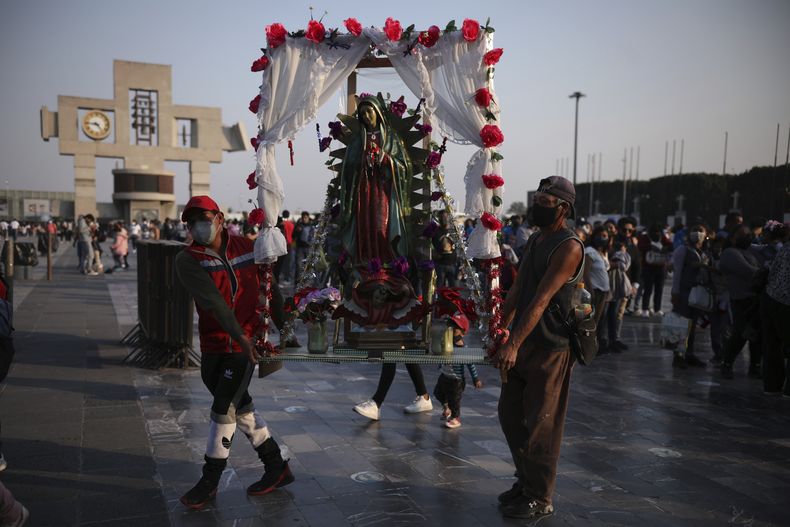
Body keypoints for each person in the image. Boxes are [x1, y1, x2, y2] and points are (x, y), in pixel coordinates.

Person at [174, 196, 294, 509]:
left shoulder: (249, 247)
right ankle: (276, 466)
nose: (198, 225)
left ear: (219, 217)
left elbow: (271, 290)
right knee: (241, 407)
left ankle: (210, 480)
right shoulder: (187, 259)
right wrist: (236, 337)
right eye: (191, 221)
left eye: (203, 218)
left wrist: (285, 331)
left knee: (223, 406)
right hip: (214, 345)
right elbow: (213, 302)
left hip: (246, 345)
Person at [494, 176, 584, 520]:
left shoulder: (568, 246)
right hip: (522, 342)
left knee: (542, 425)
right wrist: (500, 327)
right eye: (538, 200)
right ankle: (525, 479)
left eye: (546, 204)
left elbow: (543, 298)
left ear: (564, 209)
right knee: (510, 415)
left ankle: (540, 495)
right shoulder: (535, 239)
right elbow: (519, 291)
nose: (538, 207)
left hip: (550, 347)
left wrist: (513, 342)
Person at [719, 226, 762, 379]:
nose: (747, 237)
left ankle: (755, 366)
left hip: (756, 299)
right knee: (740, 334)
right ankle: (727, 363)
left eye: (748, 234)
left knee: (757, 335)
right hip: (741, 299)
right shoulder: (730, 253)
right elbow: (749, 271)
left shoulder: (751, 251)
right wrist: (764, 272)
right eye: (742, 235)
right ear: (733, 238)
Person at [670, 223, 709, 368]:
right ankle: (678, 356)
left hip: (697, 293)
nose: (698, 233)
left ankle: (690, 354)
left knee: (693, 326)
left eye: (701, 230)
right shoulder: (683, 250)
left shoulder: (703, 251)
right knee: (682, 325)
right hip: (685, 291)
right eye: (695, 230)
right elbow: (677, 273)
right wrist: (675, 292)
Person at [760, 241, 790, 396]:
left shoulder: (785, 248)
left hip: (770, 298)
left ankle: (771, 386)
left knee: (772, 345)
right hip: (786, 302)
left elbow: (771, 270)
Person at [583, 225, 611, 353]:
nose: (602, 238)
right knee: (589, 321)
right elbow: (586, 272)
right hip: (594, 292)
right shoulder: (589, 251)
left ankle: (593, 346)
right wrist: (590, 289)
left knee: (598, 321)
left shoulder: (601, 253)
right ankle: (586, 347)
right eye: (599, 235)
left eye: (605, 236)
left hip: (603, 293)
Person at [433, 363, 482, 429]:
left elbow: (470, 364)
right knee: (438, 393)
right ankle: (447, 408)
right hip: (444, 375)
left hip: (457, 380)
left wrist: (475, 378)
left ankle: (455, 418)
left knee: (454, 401)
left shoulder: (462, 353)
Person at [637, 223, 672, 316]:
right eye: (654, 232)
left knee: (659, 289)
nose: (656, 234)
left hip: (660, 267)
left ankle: (657, 309)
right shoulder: (645, 237)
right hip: (648, 267)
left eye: (658, 232)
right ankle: (645, 309)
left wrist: (666, 248)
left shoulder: (662, 237)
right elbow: (640, 246)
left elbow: (671, 245)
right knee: (648, 289)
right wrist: (651, 247)